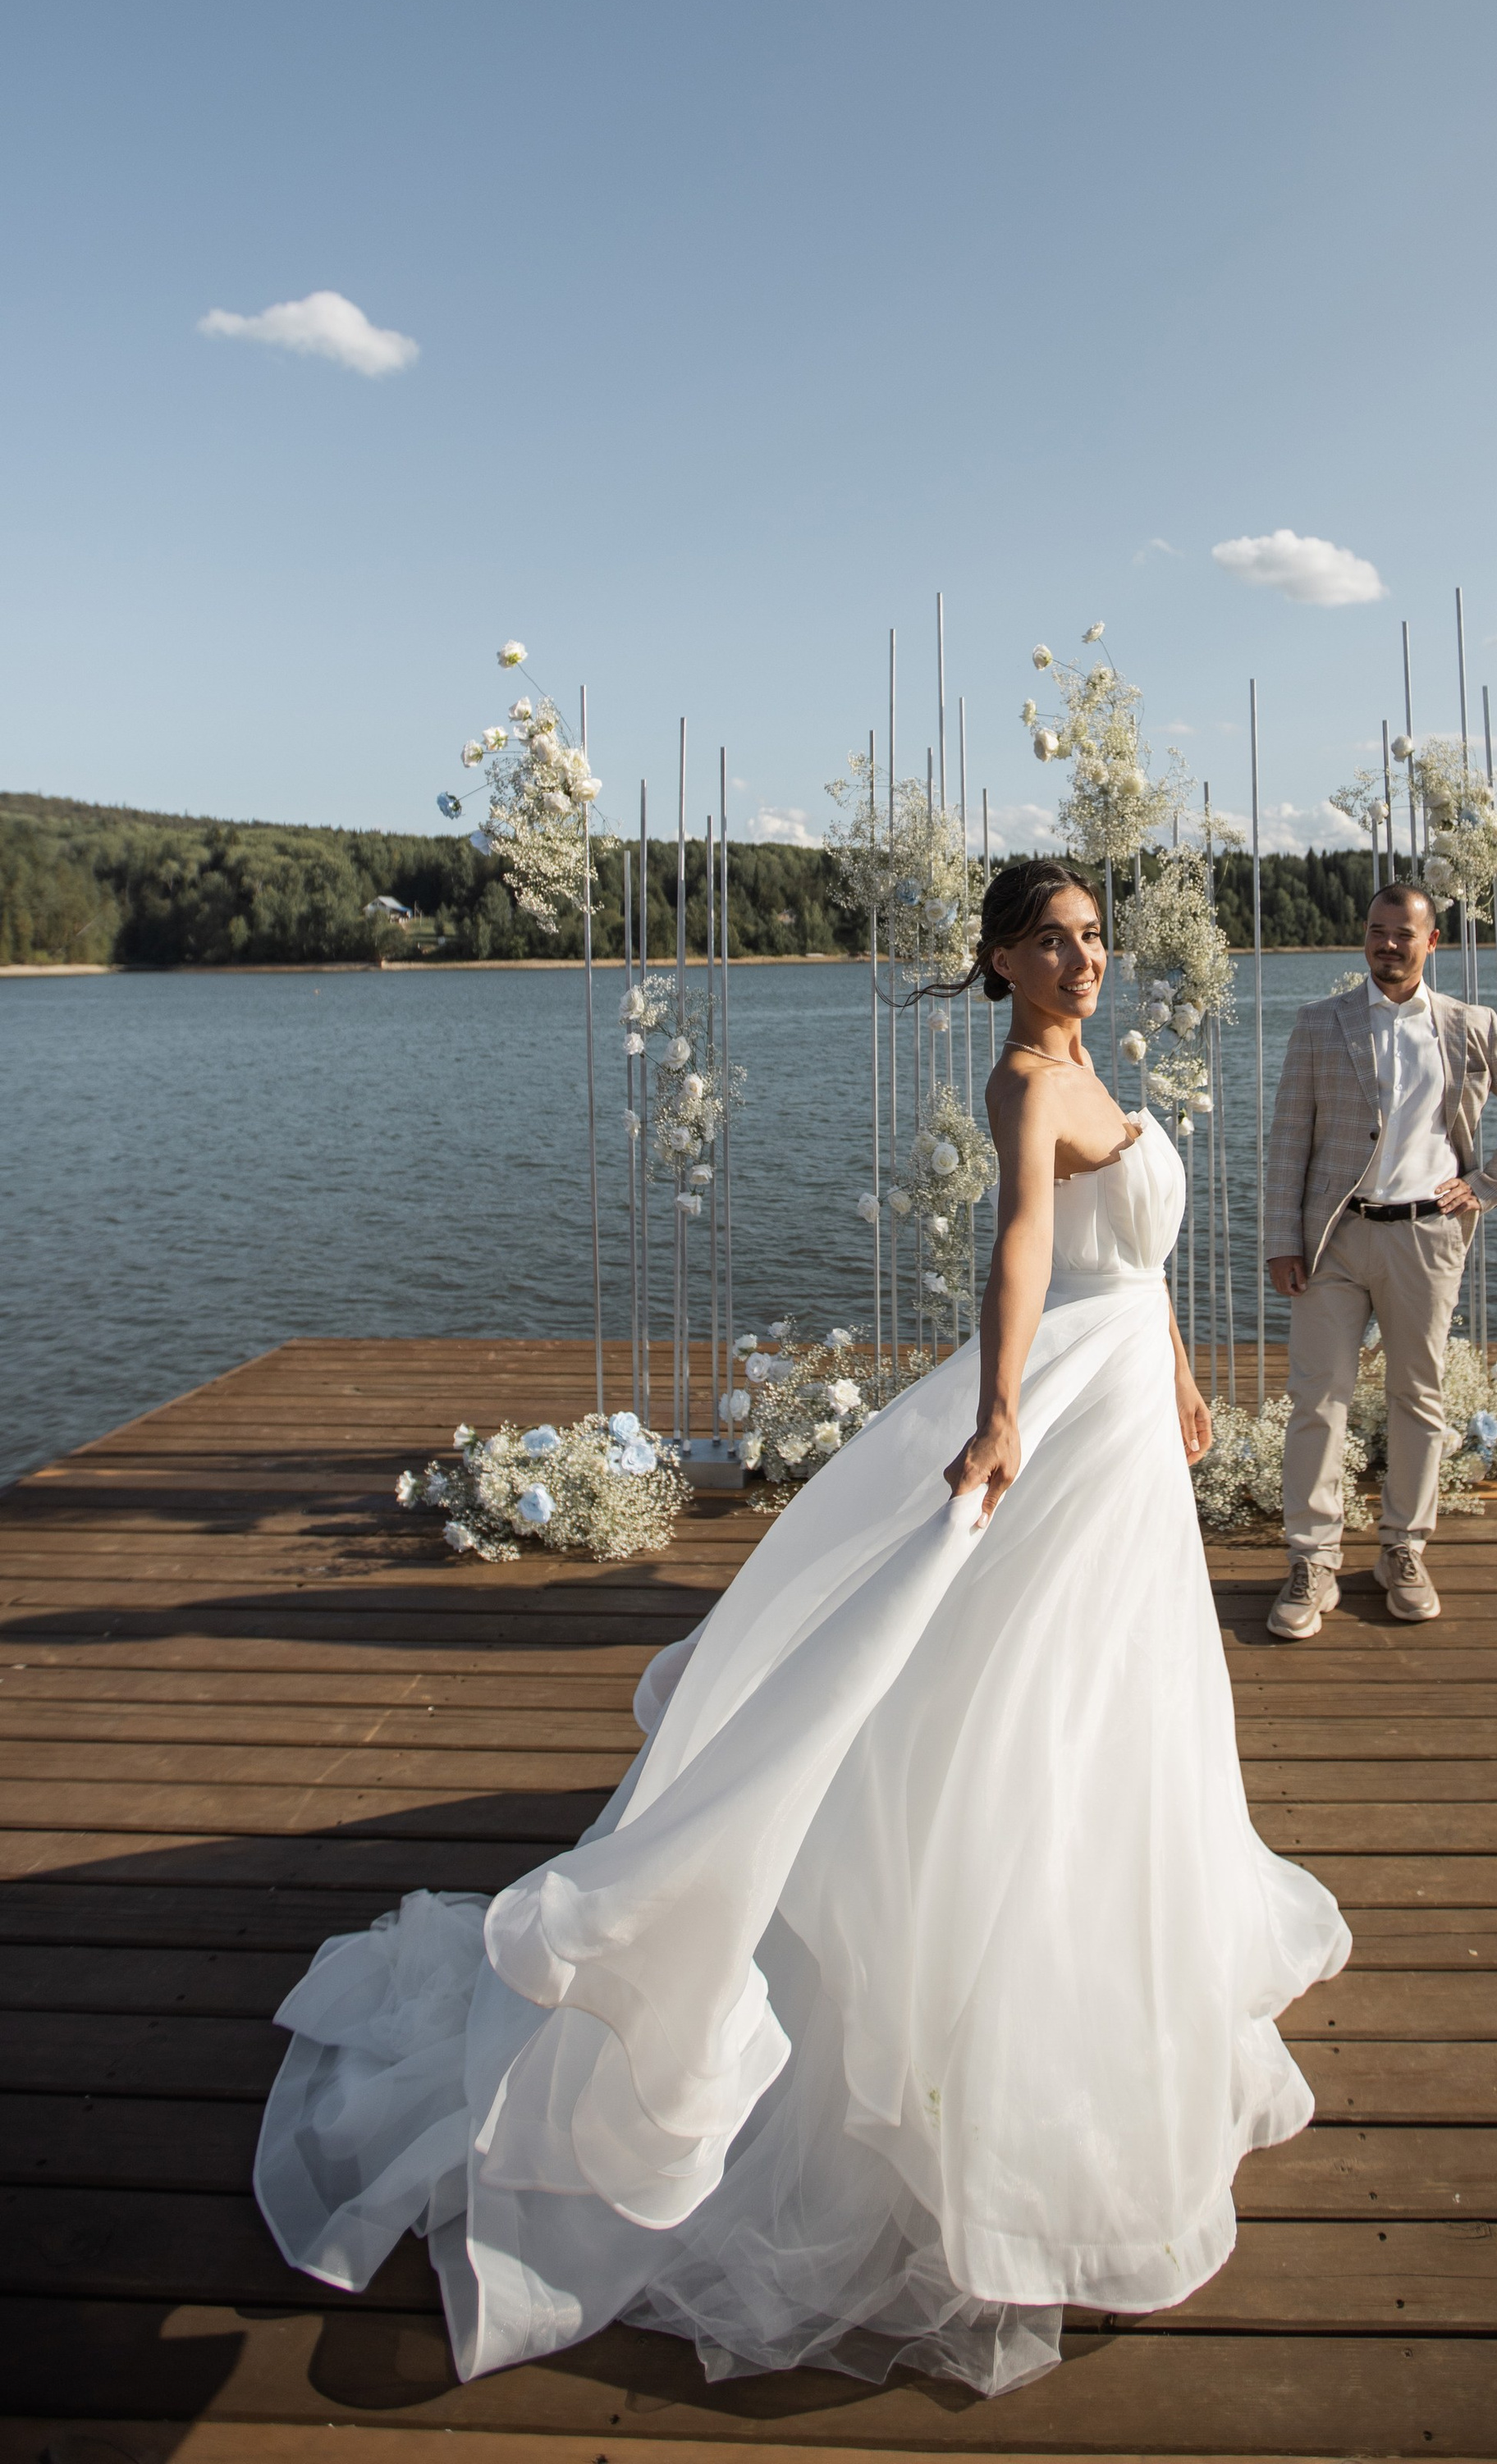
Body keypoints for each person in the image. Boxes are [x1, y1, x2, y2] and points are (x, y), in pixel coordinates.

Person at [254, 858, 1348, 2397]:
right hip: (1059, 1412)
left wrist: (1175, 1369)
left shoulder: (1092, 1057)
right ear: (1003, 960)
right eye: (1055, 940)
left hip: (1126, 1405)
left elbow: (1133, 1250)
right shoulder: (1025, 1079)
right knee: (1016, 1689)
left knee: (1112, 1689)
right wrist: (995, 1412)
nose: (1084, 959)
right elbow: (1023, 1249)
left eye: (1095, 938)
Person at [1262, 880, 1497, 1640]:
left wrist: (1488, 1184)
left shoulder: (1468, 1025)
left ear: (1432, 943)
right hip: (1334, 1239)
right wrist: (1281, 1242)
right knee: (1315, 1400)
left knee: (1418, 1400)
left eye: (1404, 933)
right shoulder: (1319, 1024)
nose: (1387, 944)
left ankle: (1404, 1548)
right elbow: (1288, 1142)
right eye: (1376, 930)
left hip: (1427, 1238)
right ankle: (1312, 1558)